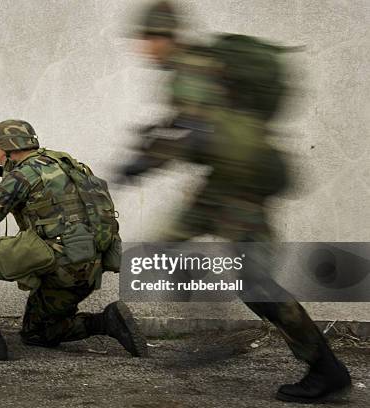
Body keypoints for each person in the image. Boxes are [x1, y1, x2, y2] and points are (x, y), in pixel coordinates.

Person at [119, 1, 351, 403]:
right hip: (225, 182)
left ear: (162, 36)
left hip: (238, 186)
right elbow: (197, 123)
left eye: (146, 39)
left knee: (255, 282)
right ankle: (213, 327)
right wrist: (158, 138)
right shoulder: (196, 66)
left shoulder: (188, 69)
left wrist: (147, 159)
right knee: (164, 247)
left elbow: (196, 131)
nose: (143, 49)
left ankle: (324, 368)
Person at [0, 119, 147, 362]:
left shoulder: (21, 174)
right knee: (37, 334)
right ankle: (106, 322)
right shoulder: (67, 164)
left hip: (60, 265)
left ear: (9, 148)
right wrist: (1, 191)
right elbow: (49, 209)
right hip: (88, 268)